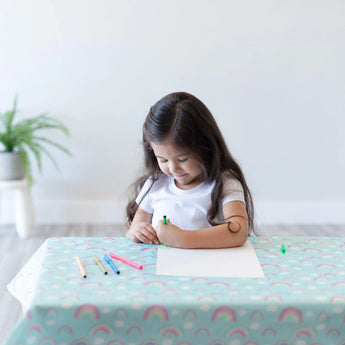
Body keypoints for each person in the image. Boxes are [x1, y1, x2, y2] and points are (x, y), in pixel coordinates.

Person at [126, 92, 254, 249]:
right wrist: (137, 231)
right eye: (163, 160)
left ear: (205, 148)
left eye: (182, 159)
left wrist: (182, 239)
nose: (173, 169)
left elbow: (239, 231)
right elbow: (136, 225)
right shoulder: (156, 182)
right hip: (160, 267)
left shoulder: (225, 183)